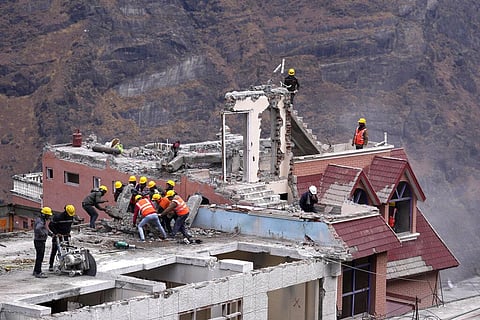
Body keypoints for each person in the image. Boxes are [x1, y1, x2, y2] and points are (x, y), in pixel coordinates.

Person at [48, 204, 76, 271]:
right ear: (66, 212)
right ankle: (51, 265)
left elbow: (68, 225)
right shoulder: (58, 217)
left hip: (65, 235)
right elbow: (50, 226)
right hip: (58, 235)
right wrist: (56, 233)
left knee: (67, 250)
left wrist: (68, 232)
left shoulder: (71, 217)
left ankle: (67, 263)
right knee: (54, 250)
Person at [33, 207, 53, 278]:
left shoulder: (41, 219)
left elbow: (44, 229)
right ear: (44, 215)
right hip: (40, 241)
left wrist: (50, 234)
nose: (49, 217)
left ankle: (36, 271)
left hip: (38, 240)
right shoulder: (40, 221)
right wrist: (44, 234)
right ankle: (38, 272)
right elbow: (38, 228)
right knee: (40, 257)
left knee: (39, 257)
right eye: (48, 215)